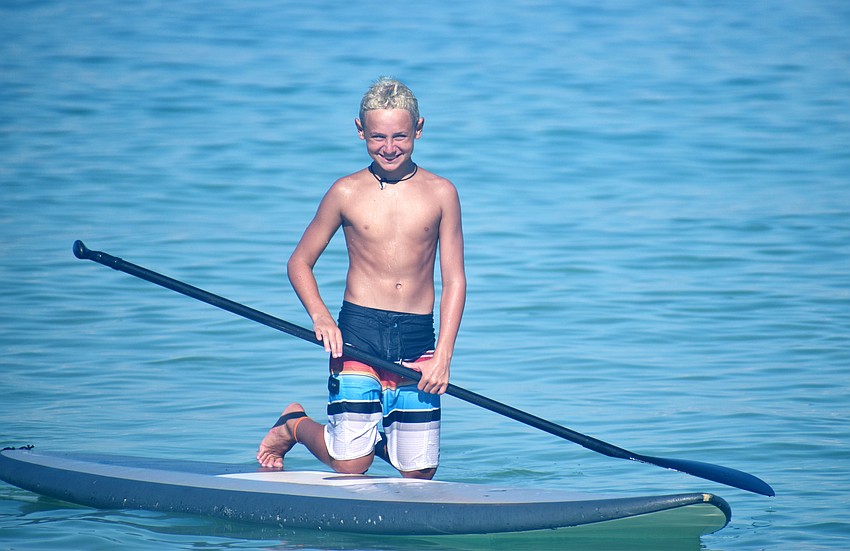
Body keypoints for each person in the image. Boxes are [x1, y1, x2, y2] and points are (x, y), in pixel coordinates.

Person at [257, 77, 466, 480]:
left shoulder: (442, 193)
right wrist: (320, 316)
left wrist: (443, 356)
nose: (389, 147)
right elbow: (299, 262)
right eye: (377, 137)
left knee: (419, 474)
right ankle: (294, 425)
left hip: (417, 337)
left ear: (419, 128)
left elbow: (454, 280)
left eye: (400, 136)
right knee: (351, 466)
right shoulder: (345, 192)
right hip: (358, 334)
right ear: (360, 131)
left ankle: (375, 434)